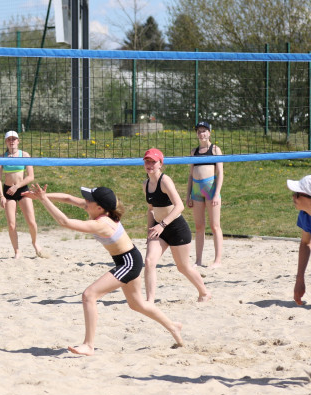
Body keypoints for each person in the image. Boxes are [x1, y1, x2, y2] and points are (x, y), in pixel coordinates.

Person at [22, 184, 183, 356]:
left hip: (128, 262)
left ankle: (88, 345)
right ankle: (173, 326)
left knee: (89, 295)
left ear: (99, 207)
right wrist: (41, 196)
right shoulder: (99, 209)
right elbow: (68, 198)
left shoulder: (103, 224)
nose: (85, 201)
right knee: (137, 304)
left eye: (89, 199)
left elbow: (65, 222)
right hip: (130, 258)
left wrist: (44, 200)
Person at [142, 148, 211, 303]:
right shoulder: (145, 184)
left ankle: (204, 292)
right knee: (149, 262)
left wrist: (162, 224)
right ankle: (150, 301)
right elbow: (151, 209)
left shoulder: (165, 181)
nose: (150, 165)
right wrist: (150, 231)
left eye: (153, 162)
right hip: (158, 229)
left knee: (183, 267)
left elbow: (179, 206)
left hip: (176, 228)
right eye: (147, 161)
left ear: (160, 164)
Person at [0, 130, 46, 258]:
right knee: (11, 225)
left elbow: (31, 176)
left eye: (14, 139)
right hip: (8, 192)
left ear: (18, 141)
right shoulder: (2, 157)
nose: (11, 141)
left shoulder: (25, 155)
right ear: (6, 142)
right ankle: (17, 251)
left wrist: (17, 186)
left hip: (22, 189)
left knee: (31, 222)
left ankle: (35, 243)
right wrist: (1, 196)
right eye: (9, 139)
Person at [186, 121, 224, 269]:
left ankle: (217, 260)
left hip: (211, 189)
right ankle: (198, 260)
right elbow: (190, 175)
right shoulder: (194, 151)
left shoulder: (215, 149)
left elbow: (220, 173)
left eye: (204, 131)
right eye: (199, 131)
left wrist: (217, 193)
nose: (201, 133)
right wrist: (188, 195)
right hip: (196, 190)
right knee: (199, 226)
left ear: (209, 133)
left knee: (215, 226)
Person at [286, 175, 311, 305]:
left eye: (297, 194)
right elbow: (306, 243)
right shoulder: (306, 215)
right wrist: (300, 279)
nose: (293, 197)